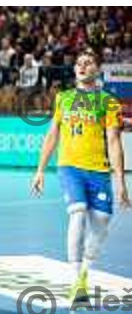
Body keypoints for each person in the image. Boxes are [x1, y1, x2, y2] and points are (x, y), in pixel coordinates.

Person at [32, 48, 130, 301]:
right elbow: (53, 133)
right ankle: (76, 280)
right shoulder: (63, 98)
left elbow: (113, 141)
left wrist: (121, 181)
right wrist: (41, 170)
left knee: (101, 223)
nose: (82, 66)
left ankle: (85, 272)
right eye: (79, 63)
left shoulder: (108, 101)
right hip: (70, 167)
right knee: (77, 215)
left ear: (97, 70)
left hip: (99, 170)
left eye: (88, 63)